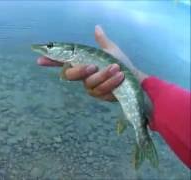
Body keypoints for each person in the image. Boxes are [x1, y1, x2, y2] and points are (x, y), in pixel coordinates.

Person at [36, 25, 191, 169]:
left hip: (138, 94)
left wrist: (137, 79)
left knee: (131, 113)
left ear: (68, 51)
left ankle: (142, 139)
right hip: (147, 94)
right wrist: (137, 76)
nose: (45, 48)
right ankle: (141, 137)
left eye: (50, 46)